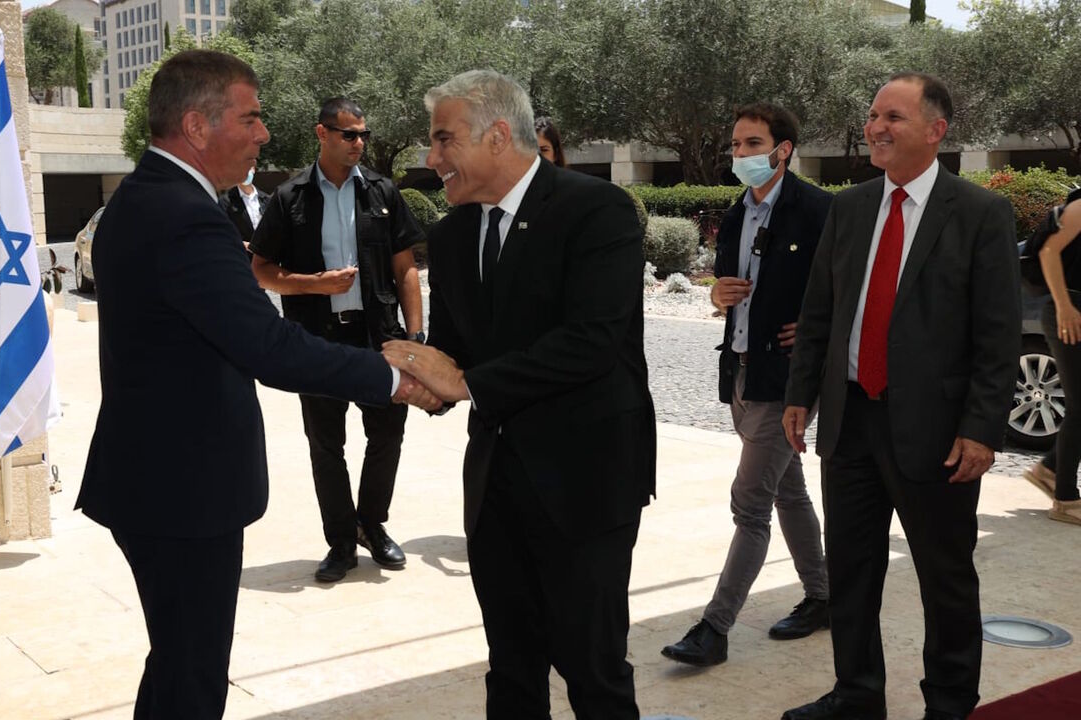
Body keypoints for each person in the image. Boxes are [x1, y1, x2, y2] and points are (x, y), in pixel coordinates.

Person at [74, 50, 435, 719]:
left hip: (155, 482)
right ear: (198, 125)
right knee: (193, 676)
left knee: (177, 661)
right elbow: (266, 346)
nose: (265, 134)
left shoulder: (146, 197)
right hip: (182, 493)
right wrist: (393, 376)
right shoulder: (184, 214)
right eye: (252, 116)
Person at [381, 70, 657, 718]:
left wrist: (466, 382)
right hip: (498, 486)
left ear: (498, 135)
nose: (431, 158)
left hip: (585, 484)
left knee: (594, 671)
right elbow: (459, 354)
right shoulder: (450, 236)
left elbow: (591, 342)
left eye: (443, 139)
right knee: (510, 671)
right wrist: (421, 380)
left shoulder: (598, 211)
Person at [781, 73, 1020, 720]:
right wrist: (801, 393)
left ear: (936, 131)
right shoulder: (850, 208)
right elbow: (821, 311)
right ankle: (856, 694)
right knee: (852, 571)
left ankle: (948, 703)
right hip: (851, 420)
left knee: (945, 578)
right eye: (873, 115)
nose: (876, 127)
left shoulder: (979, 214)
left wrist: (981, 428)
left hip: (939, 433)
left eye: (894, 116)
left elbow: (996, 336)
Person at [661, 103, 831, 668]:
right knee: (789, 490)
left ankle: (715, 627)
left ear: (782, 149)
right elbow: (725, 289)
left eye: (751, 144)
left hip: (785, 383)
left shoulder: (819, 211)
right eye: (735, 145)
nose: (740, 155)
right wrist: (715, 297)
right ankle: (824, 596)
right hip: (739, 371)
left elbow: (847, 290)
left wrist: (813, 327)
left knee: (750, 503)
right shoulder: (736, 213)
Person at [250, 97, 426, 583]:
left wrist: (416, 337)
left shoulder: (383, 193)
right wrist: (313, 284)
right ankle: (341, 542)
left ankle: (372, 524)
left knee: (387, 435)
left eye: (363, 135)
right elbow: (261, 270)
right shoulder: (289, 198)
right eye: (349, 134)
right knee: (326, 445)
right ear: (321, 134)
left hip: (378, 340)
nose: (359, 144)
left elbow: (405, 268)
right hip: (316, 344)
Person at [1023, 200, 1081, 524]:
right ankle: (1066, 500)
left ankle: (1049, 469)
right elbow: (1048, 252)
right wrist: (1064, 306)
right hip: (1069, 313)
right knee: (1079, 406)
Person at [219, 161, 269, 247]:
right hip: (241, 255)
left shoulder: (266, 199)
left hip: (265, 255)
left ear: (253, 169)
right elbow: (222, 233)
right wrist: (244, 245)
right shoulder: (226, 202)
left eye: (247, 168)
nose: (244, 172)